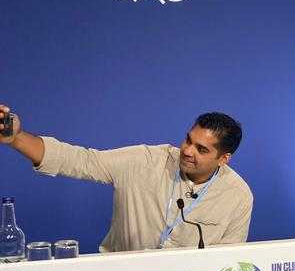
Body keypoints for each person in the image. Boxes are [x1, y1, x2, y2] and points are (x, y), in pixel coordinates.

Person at [0, 104, 253, 252]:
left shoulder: (237, 196)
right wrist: (16, 138)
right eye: (188, 140)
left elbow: (227, 263)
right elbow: (82, 160)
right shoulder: (145, 161)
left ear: (223, 159)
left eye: (202, 149)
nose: (187, 151)